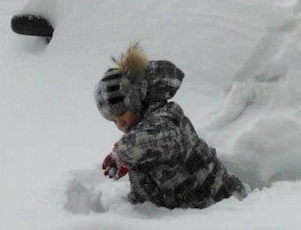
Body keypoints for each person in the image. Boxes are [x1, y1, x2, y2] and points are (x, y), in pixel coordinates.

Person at [94, 44, 247, 209]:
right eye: (114, 120)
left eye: (122, 113)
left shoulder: (169, 117)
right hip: (189, 214)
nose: (120, 123)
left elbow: (156, 139)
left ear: (136, 101)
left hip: (224, 204)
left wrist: (122, 154)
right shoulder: (139, 135)